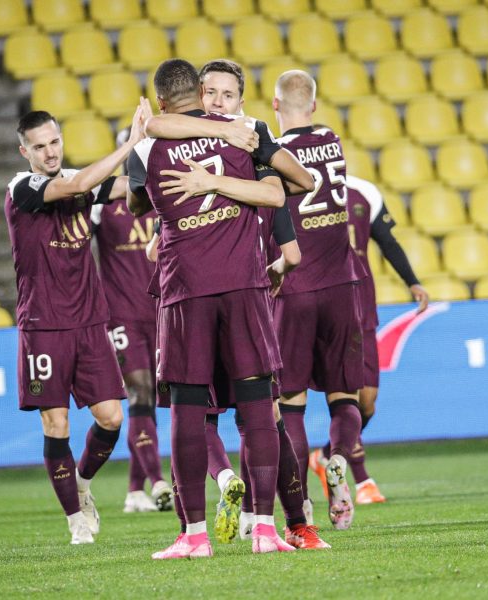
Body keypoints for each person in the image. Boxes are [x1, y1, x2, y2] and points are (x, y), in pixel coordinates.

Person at [146, 58, 328, 549]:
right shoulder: (242, 135)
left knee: (236, 412)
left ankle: (261, 526)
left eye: (227, 95)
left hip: (196, 291)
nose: (217, 102)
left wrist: (210, 182)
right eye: (210, 92)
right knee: (226, 411)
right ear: (197, 94)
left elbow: (293, 186)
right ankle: (254, 525)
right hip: (231, 288)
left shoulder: (233, 135)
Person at [4, 105, 146, 544]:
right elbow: (82, 183)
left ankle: (82, 482)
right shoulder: (23, 188)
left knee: (112, 418)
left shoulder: (79, 180)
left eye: (55, 142)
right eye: (40, 146)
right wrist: (131, 142)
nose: (50, 152)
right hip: (44, 325)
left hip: (90, 321)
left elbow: (131, 187)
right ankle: (74, 520)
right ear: (24, 150)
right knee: (57, 424)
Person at [270, 70, 364, 531]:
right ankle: (339, 459)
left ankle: (302, 502)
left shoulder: (272, 150)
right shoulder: (333, 139)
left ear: (274, 105)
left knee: (291, 401)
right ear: (314, 102)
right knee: (344, 394)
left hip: (295, 287)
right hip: (341, 285)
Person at [309, 175, 429, 504]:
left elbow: (386, 241)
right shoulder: (293, 184)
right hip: (317, 305)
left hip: (361, 304)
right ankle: (360, 479)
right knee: (339, 394)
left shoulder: (364, 191)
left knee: (367, 401)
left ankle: (324, 456)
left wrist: (412, 281)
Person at [91, 128, 172, 514]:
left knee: (154, 396)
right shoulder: (102, 204)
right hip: (121, 316)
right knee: (139, 392)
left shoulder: (163, 194)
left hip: (163, 311)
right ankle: (157, 481)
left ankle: (134, 490)